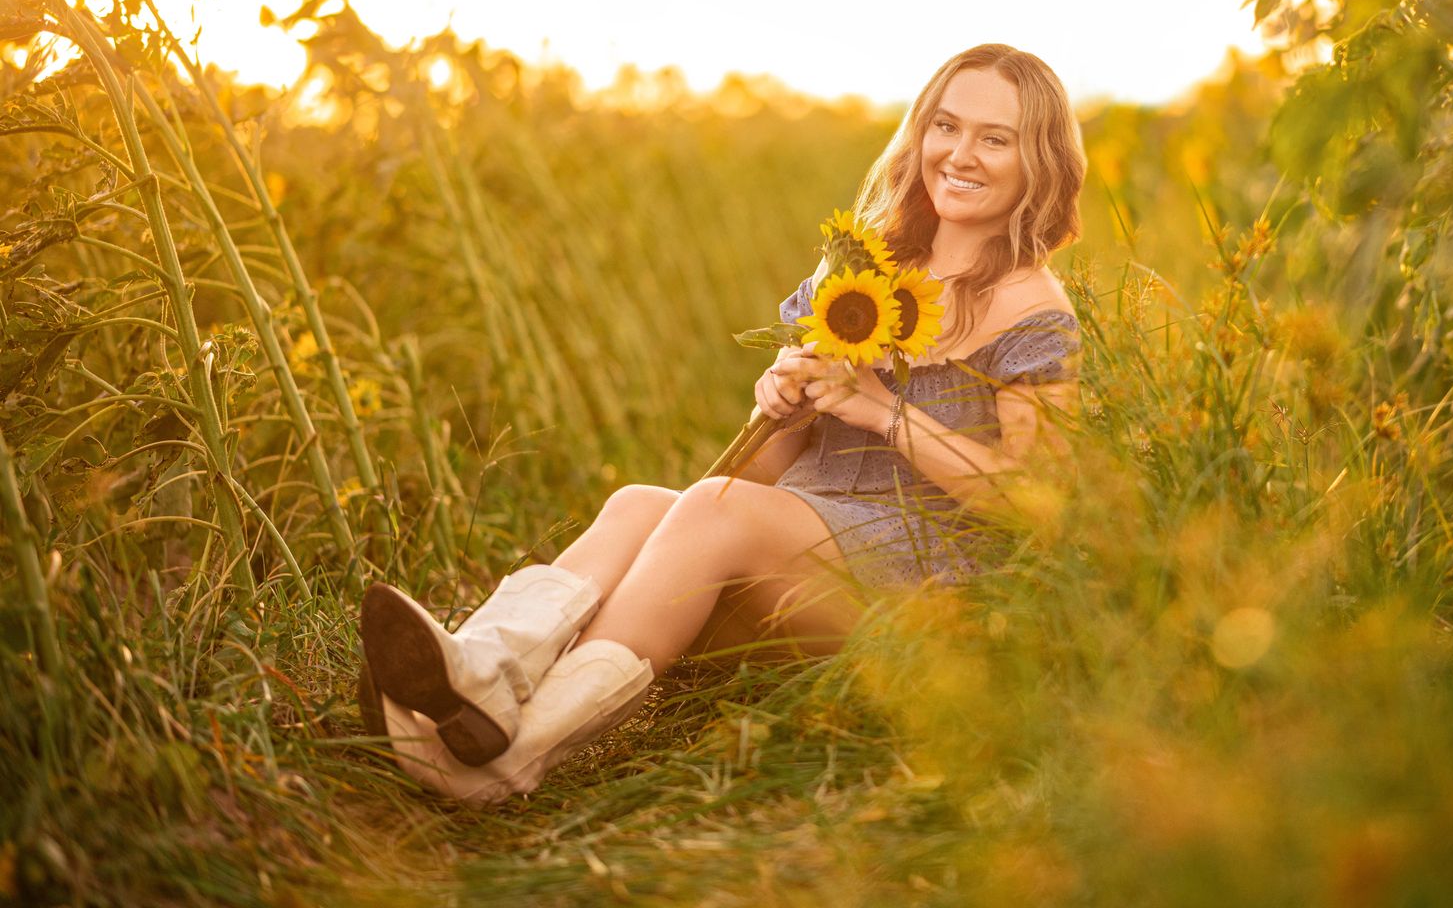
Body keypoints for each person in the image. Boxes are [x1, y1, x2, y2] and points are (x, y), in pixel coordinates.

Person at [358, 42, 1088, 805]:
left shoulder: (1034, 313)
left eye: (994, 138)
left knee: (710, 506)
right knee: (642, 503)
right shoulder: (856, 273)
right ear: (920, 132)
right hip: (797, 561)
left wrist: (882, 411)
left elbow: (1035, 501)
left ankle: (510, 758)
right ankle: (482, 675)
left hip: (920, 602)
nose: (960, 154)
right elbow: (761, 480)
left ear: (1037, 160)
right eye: (946, 126)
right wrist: (780, 405)